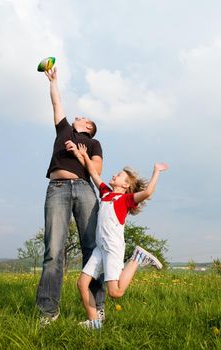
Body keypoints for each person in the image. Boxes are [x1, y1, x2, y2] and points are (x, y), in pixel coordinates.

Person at [36, 67, 105, 326]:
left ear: (89, 127)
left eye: (83, 117)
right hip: (57, 189)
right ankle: (48, 313)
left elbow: (96, 170)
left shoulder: (94, 144)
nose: (77, 116)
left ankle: (97, 309)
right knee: (54, 250)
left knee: (91, 248)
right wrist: (53, 81)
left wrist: (79, 154)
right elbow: (57, 102)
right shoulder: (63, 129)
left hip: (85, 190)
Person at [76, 144, 168, 329]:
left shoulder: (126, 200)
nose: (114, 175)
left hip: (113, 248)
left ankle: (137, 258)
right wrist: (84, 155)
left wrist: (156, 171)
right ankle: (94, 323)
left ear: (125, 185)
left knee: (115, 293)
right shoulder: (105, 193)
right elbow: (94, 173)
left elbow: (148, 193)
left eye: (119, 175)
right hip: (100, 248)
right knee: (81, 283)